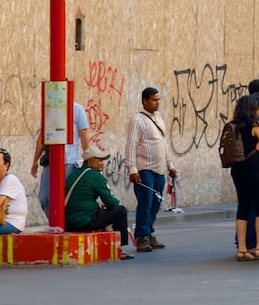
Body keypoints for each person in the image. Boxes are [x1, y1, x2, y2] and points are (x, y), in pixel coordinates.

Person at [126, 87, 177, 252]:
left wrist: (170, 166)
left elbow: (163, 144)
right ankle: (141, 237)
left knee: (156, 204)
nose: (157, 103)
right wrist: (132, 169)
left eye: (158, 100)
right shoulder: (137, 120)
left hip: (160, 170)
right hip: (144, 169)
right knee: (145, 204)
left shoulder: (159, 118)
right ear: (145, 101)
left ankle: (149, 233)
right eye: (154, 100)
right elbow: (131, 145)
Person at [64, 148, 134, 260]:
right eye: (100, 160)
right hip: (84, 221)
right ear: (90, 162)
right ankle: (119, 248)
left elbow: (81, 197)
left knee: (100, 210)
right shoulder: (95, 176)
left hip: (68, 222)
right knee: (120, 211)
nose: (102, 163)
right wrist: (110, 203)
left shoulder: (74, 174)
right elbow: (111, 203)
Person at [230, 93, 259, 261]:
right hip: (254, 168)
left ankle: (242, 250)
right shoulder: (255, 125)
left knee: (243, 206)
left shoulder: (234, 125)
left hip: (237, 169)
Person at [32, 102, 91, 216]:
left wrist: (88, 159)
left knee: (64, 197)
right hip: (51, 160)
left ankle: (65, 222)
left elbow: (84, 137)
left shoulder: (77, 109)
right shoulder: (49, 109)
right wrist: (35, 161)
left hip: (70, 161)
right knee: (44, 197)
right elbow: (42, 137)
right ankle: (54, 222)